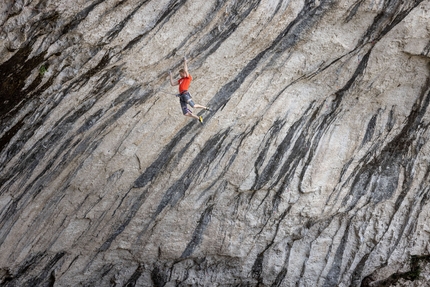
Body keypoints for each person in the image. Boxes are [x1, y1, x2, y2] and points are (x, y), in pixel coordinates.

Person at [169, 57, 210, 123]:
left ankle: (205, 107)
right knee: (185, 113)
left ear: (184, 73)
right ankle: (199, 118)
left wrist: (185, 61)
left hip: (185, 94)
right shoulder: (180, 80)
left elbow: (186, 70)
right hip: (181, 97)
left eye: (181, 74)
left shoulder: (188, 78)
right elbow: (173, 84)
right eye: (180, 74)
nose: (180, 75)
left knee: (193, 106)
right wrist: (170, 75)